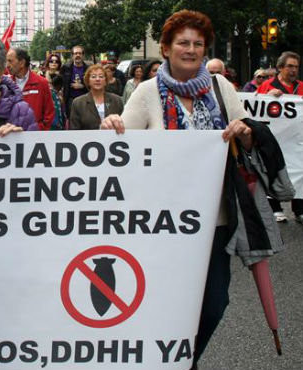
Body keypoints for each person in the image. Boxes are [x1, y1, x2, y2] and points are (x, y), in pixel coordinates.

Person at [100, 10, 282, 368]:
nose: (191, 49)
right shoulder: (147, 93)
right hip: (160, 222)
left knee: (214, 302)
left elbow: (245, 131)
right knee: (166, 300)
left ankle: (182, 359)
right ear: (166, 48)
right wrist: (113, 124)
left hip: (215, 218)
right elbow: (122, 146)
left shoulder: (221, 87)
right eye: (183, 42)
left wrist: (244, 133)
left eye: (198, 44)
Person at [257, 51, 303, 222]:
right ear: (280, 68)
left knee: (299, 170)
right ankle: (275, 208)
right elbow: (257, 106)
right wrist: (268, 97)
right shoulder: (268, 86)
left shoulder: (301, 87)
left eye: (296, 67)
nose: (293, 70)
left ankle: (298, 208)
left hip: (296, 141)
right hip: (275, 139)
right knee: (273, 169)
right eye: (290, 66)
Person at [6, 48, 55, 130]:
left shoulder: (41, 83)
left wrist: (38, 130)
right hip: (11, 137)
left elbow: (49, 113)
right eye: (6, 61)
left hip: (35, 138)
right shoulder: (6, 85)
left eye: (10, 61)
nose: (7, 65)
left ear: (21, 63)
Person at [69, 64, 123, 130]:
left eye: (101, 76)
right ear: (88, 81)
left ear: (105, 81)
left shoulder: (117, 100)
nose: (97, 79)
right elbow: (74, 129)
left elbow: (123, 124)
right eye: (93, 77)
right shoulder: (78, 103)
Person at [61, 45, 90, 117]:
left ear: (83, 55)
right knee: (73, 122)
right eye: (76, 53)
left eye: (80, 53)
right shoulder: (66, 68)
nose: (78, 55)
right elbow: (61, 83)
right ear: (72, 55)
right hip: (71, 100)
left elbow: (92, 86)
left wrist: (83, 86)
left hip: (86, 100)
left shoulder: (89, 69)